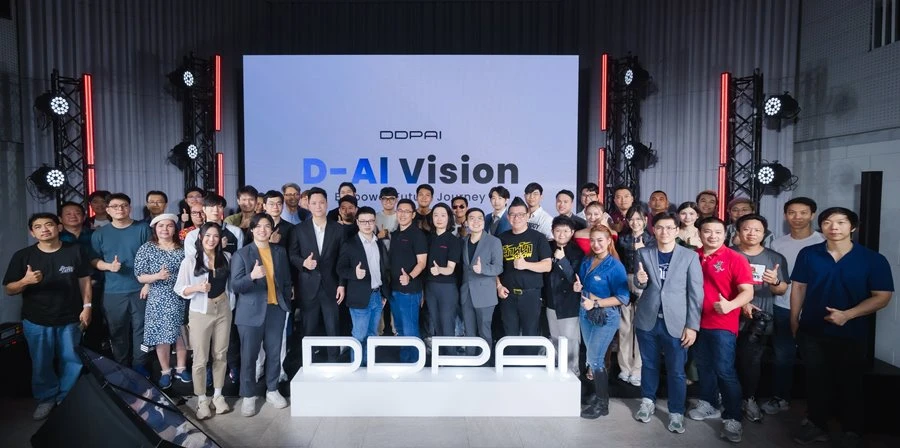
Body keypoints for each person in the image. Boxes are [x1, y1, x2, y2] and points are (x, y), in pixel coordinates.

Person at [790, 207, 893, 446]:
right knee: (815, 380)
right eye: (827, 222)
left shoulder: (873, 259)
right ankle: (817, 425)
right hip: (812, 329)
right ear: (821, 226)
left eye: (841, 222)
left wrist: (848, 315)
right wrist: (795, 319)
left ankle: (852, 430)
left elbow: (882, 296)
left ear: (853, 227)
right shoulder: (809, 254)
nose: (834, 227)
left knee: (850, 381)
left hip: (852, 332)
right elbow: (799, 287)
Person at [3, 213, 92, 420]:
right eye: (38, 226)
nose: (44, 229)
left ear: (58, 227)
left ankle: (66, 397)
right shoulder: (23, 256)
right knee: (41, 362)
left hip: (70, 317)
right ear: (32, 232)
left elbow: (85, 280)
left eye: (49, 225)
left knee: (71, 359)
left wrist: (87, 306)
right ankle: (46, 398)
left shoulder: (75, 250)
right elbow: (9, 289)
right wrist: (25, 281)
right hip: (36, 319)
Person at [632, 212, 703, 434]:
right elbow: (640, 284)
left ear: (676, 230)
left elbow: (696, 293)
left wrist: (692, 326)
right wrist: (639, 281)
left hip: (677, 323)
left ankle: (676, 412)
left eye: (670, 228)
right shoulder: (643, 252)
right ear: (653, 230)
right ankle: (647, 402)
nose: (664, 232)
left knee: (677, 370)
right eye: (660, 227)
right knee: (649, 365)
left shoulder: (689, 256)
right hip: (647, 320)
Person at [687, 217, 754, 443]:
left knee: (724, 370)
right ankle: (709, 403)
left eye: (718, 232)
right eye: (707, 231)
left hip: (722, 324)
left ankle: (733, 417)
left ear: (725, 234)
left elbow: (747, 291)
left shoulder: (735, 258)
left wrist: (731, 305)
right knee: (704, 366)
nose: (712, 236)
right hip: (695, 323)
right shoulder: (692, 256)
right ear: (699, 234)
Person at [763, 197, 824, 415]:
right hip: (782, 306)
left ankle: (818, 408)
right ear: (785, 216)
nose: (797, 217)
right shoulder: (777, 244)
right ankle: (781, 398)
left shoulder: (823, 241)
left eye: (803, 212)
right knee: (783, 356)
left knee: (816, 359)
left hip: (816, 310)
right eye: (792, 213)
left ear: (813, 215)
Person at [231, 213, 293, 417]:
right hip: (250, 313)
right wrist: (252, 276)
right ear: (252, 229)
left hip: (276, 310)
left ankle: (272, 390)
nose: (263, 230)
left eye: (267, 226)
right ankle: (248, 395)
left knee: (274, 354)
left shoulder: (279, 251)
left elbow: (286, 280)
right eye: (258, 226)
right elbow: (236, 285)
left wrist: (285, 300)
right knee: (249, 356)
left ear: (272, 229)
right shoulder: (242, 254)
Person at [732, 214, 789, 423]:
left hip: (759, 320)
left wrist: (775, 282)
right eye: (747, 229)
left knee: (751, 362)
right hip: (729, 316)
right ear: (738, 232)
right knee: (726, 360)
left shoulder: (775, 258)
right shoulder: (728, 254)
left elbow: (782, 290)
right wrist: (741, 302)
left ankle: (749, 399)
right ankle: (726, 398)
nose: (751, 233)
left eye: (757, 230)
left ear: (764, 233)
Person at [175, 222, 235, 420]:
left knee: (220, 354)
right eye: (207, 235)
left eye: (215, 236)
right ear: (200, 238)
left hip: (223, 308)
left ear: (220, 239)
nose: (211, 240)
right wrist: (197, 288)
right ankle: (201, 399)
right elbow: (179, 288)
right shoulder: (190, 261)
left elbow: (231, 285)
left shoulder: (227, 257)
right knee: (200, 358)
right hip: (201, 312)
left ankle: (218, 395)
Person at [91, 193, 151, 375]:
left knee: (142, 330)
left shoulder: (143, 228)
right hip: (113, 291)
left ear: (130, 208)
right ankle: (121, 365)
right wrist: (108, 266)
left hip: (141, 289)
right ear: (108, 210)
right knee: (117, 330)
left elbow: (152, 257)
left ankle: (140, 364)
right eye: (115, 206)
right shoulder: (100, 234)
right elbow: (93, 260)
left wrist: (148, 284)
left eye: (124, 205)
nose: (120, 209)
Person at [576, 224, 629, 419]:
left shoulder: (615, 266)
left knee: (596, 359)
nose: (596, 244)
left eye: (600, 240)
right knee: (591, 359)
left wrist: (596, 303)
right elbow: (584, 285)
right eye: (592, 240)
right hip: (586, 314)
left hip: (606, 316)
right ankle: (599, 395)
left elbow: (623, 298)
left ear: (609, 241)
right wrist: (578, 287)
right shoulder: (587, 260)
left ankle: (602, 404)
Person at [289, 187, 346, 362]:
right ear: (308, 205)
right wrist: (303, 263)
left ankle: (334, 362)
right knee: (308, 328)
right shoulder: (299, 229)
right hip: (308, 285)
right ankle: (308, 363)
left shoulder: (338, 229)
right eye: (314, 203)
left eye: (321, 202)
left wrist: (342, 284)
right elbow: (292, 255)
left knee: (333, 327)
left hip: (332, 285)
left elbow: (343, 259)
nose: (318, 206)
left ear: (327, 203)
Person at [134, 214, 188, 389]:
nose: (165, 229)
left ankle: (181, 368)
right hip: (158, 298)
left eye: (169, 225)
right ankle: (165, 371)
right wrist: (156, 277)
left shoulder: (183, 248)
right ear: (155, 229)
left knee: (180, 333)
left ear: (175, 228)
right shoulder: (147, 248)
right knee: (161, 335)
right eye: (161, 226)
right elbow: (140, 276)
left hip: (181, 296)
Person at [496, 198, 552, 353]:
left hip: (531, 294)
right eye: (513, 215)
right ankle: (510, 366)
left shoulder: (538, 238)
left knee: (531, 334)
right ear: (508, 217)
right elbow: (495, 268)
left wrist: (526, 265)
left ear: (527, 216)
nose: (516, 218)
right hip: (508, 295)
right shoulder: (501, 239)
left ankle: (530, 366)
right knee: (509, 335)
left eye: (521, 214)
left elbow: (547, 266)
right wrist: (498, 286)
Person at [336, 206, 390, 365]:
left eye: (371, 221)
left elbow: (383, 270)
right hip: (359, 297)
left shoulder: (379, 243)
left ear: (375, 222)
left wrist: (383, 294)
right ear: (357, 222)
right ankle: (357, 367)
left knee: (372, 335)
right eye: (363, 221)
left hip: (377, 295)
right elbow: (340, 268)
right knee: (359, 335)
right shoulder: (349, 244)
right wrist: (354, 273)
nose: (367, 224)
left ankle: (368, 367)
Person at [614, 205, 655, 386]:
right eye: (631, 219)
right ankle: (625, 367)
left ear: (645, 220)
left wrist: (641, 250)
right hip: (624, 280)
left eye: (639, 219)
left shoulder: (652, 240)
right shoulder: (623, 239)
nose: (635, 222)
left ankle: (638, 369)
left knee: (640, 328)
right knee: (624, 327)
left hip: (645, 281)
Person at [388, 199, 428, 362]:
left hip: (410, 290)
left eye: (407, 211)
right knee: (400, 328)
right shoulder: (395, 234)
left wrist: (409, 276)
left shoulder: (417, 235)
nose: (403, 214)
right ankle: (405, 361)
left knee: (410, 329)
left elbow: (422, 263)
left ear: (413, 214)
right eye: (400, 210)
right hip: (394, 289)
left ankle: (415, 362)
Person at [544, 215, 584, 376]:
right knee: (554, 338)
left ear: (572, 232)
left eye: (566, 231)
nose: (561, 234)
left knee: (570, 340)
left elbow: (575, 278)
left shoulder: (577, 252)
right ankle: (556, 372)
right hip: (550, 301)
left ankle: (572, 373)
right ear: (552, 231)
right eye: (558, 230)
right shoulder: (546, 247)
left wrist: (562, 261)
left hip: (569, 302)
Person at [459, 208, 504, 353]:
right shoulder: (463, 242)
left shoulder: (494, 241)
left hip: (485, 295)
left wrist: (483, 269)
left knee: (484, 332)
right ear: (466, 222)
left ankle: (485, 362)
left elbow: (499, 267)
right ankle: (470, 361)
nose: (476, 221)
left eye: (480, 218)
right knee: (469, 332)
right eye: (472, 218)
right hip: (466, 294)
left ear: (484, 222)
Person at [424, 203, 462, 345]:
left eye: (443, 215)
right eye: (436, 215)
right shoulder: (427, 239)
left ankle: (450, 355)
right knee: (436, 324)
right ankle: (439, 356)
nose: (439, 219)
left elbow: (450, 268)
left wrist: (440, 270)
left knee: (447, 325)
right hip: (430, 287)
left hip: (447, 288)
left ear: (449, 218)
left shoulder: (453, 240)